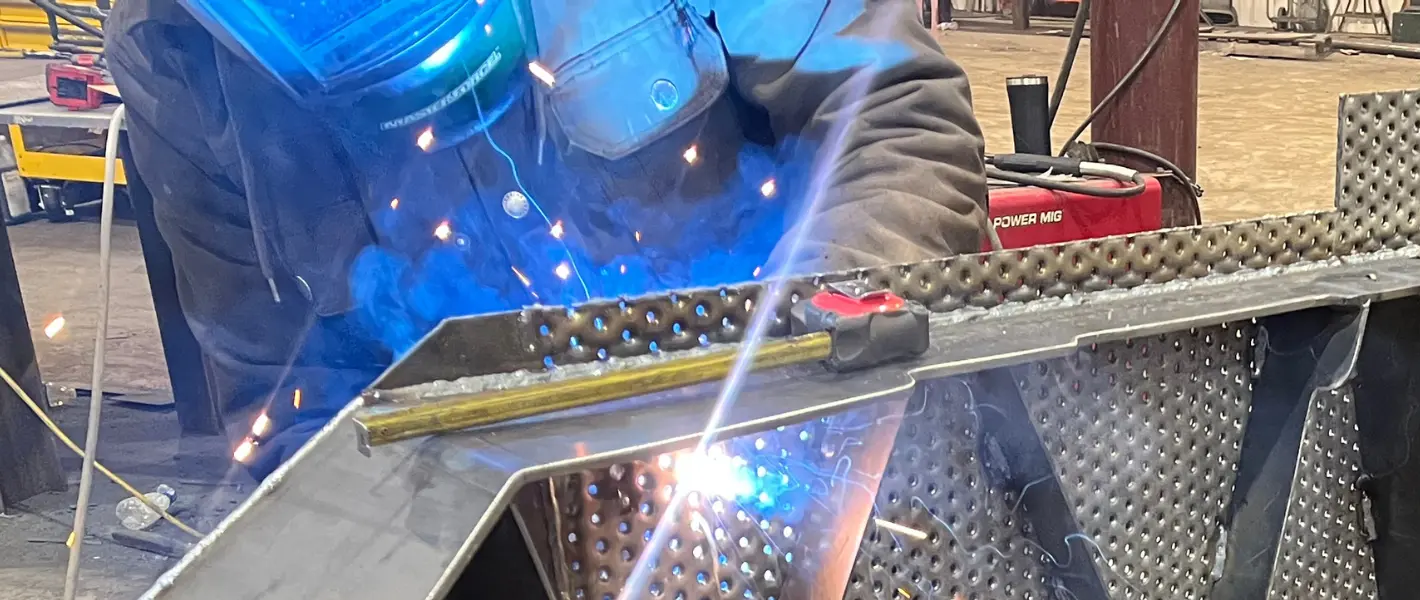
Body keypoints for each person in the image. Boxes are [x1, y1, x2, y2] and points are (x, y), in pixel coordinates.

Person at [106, 0, 990, 478]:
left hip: (808, 450)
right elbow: (285, 404)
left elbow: (892, 119)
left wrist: (792, 381)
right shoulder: (170, 46)